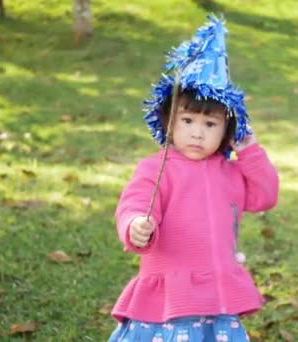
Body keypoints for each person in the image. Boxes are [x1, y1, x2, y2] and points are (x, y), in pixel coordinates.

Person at [108, 15, 279, 342]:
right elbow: (136, 202)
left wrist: (250, 152)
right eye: (187, 120)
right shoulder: (157, 167)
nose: (198, 133)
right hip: (170, 300)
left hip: (217, 299)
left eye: (210, 124)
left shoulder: (230, 172)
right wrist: (135, 224)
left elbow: (265, 196)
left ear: (227, 130)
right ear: (170, 121)